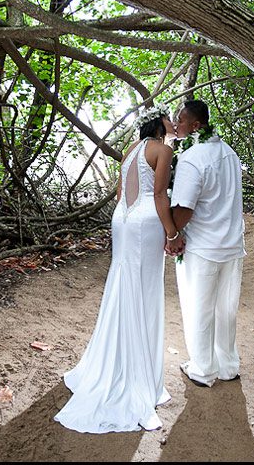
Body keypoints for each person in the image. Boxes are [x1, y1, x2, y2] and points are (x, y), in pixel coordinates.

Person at [54, 105, 179, 433]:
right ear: (159, 121)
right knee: (144, 291)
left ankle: (118, 364)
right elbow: (160, 196)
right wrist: (172, 233)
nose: (172, 122)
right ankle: (138, 379)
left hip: (122, 219)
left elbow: (122, 194)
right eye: (169, 117)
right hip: (147, 222)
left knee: (124, 284)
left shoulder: (130, 150)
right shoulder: (163, 149)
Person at [167, 100, 246, 388]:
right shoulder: (230, 153)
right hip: (232, 244)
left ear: (196, 126)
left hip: (203, 247)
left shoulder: (192, 158)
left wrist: (172, 235)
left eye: (180, 120)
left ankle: (202, 369)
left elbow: (184, 207)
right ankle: (228, 366)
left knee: (198, 308)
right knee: (226, 309)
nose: (176, 125)